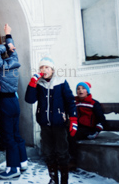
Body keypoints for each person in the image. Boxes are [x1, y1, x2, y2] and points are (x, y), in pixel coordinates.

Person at [25, 56, 77, 184]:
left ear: (52, 69)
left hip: (59, 124)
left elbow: (70, 101)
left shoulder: (61, 82)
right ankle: (53, 179)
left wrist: (74, 120)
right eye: (41, 67)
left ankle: (64, 180)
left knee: (62, 152)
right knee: (48, 152)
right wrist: (32, 83)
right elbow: (30, 100)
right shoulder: (39, 83)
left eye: (47, 67)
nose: (44, 70)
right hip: (45, 124)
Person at [0, 24, 28, 179]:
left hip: (5, 102)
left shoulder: (0, 66)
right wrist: (8, 37)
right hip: (14, 100)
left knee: (8, 137)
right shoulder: (15, 60)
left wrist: (6, 44)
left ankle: (13, 168)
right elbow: (10, 51)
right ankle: (23, 161)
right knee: (16, 133)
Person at [68, 82, 106, 169]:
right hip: (77, 126)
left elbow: (101, 119)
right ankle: (61, 158)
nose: (80, 90)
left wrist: (97, 130)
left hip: (88, 128)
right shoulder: (75, 102)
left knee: (72, 135)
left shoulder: (93, 103)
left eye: (83, 88)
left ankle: (73, 160)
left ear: (87, 91)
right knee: (63, 133)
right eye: (78, 88)